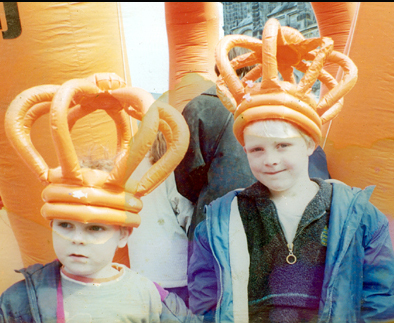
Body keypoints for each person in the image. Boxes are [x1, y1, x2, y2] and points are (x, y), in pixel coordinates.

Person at [188, 19, 394, 322]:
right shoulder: (222, 218)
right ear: (245, 150)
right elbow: (205, 296)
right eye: (257, 149)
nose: (270, 159)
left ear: (310, 145)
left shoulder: (357, 215)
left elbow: (381, 294)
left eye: (283, 146)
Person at [0, 154, 202, 323]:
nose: (77, 239)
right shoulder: (20, 301)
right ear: (51, 224)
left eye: (95, 228)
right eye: (65, 225)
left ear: (123, 235)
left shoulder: (150, 297)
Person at [175, 48, 330, 244]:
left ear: (219, 67)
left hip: (219, 224)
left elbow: (186, 180)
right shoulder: (280, 103)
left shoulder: (201, 107)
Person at [128, 132, 193, 305]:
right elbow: (185, 213)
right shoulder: (170, 167)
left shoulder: (130, 167)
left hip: (141, 265)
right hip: (173, 266)